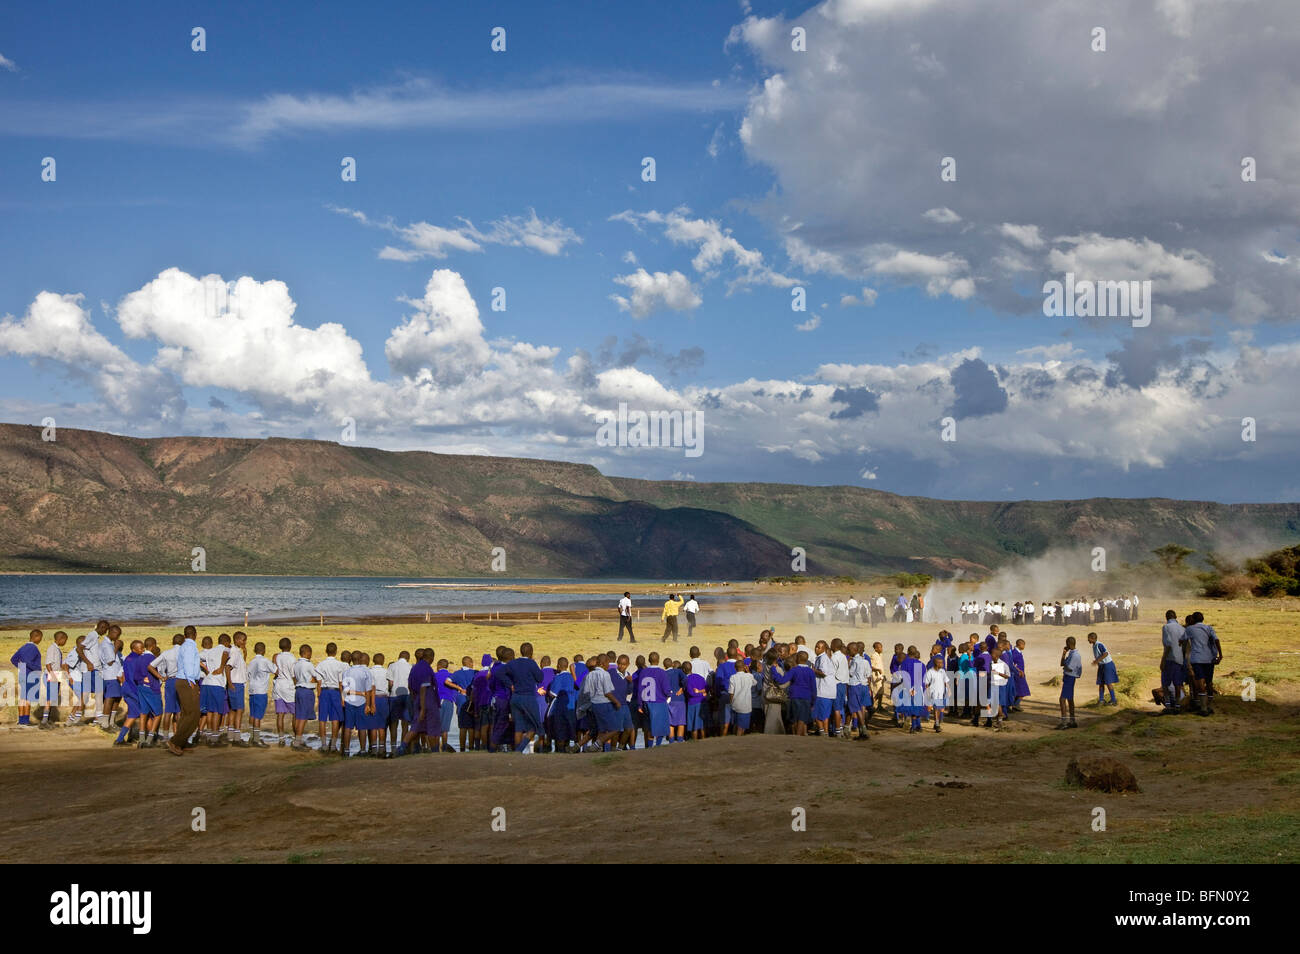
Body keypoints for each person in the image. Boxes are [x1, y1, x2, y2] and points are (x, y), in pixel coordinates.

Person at [502, 642, 544, 753]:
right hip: (528, 697)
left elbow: (499, 673)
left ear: (520, 652)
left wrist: (510, 684)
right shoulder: (531, 663)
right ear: (531, 652)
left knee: (518, 727)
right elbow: (540, 678)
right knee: (536, 726)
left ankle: (518, 752)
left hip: (515, 698)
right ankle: (522, 749)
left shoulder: (513, 663)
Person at [169, 627, 203, 756]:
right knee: (194, 714)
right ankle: (175, 741)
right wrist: (191, 681)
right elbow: (189, 664)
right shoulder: (189, 646)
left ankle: (182, 741)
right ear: (195, 634)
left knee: (186, 713)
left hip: (183, 680)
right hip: (187, 681)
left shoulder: (185, 645)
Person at [340, 651, 375, 758]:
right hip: (362, 701)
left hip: (349, 701)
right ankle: (363, 750)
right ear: (360, 659)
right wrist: (368, 705)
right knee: (362, 727)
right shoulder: (366, 672)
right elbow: (368, 690)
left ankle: (346, 751)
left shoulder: (346, 672)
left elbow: (345, 690)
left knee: (348, 727)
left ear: (352, 659)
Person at [314, 643, 347, 753]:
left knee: (322, 719)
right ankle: (333, 745)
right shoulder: (339, 665)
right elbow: (340, 683)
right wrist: (342, 698)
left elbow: (319, 682)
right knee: (335, 718)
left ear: (325, 651)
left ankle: (323, 745)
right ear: (336, 652)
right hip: (336, 692)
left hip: (324, 691)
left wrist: (319, 696)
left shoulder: (320, 665)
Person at [9, 629, 42, 727]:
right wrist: (37, 669)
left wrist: (21, 667)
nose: (40, 640)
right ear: (36, 637)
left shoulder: (23, 647)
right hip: (31, 675)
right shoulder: (33, 648)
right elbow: (28, 661)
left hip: (23, 674)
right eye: (40, 638)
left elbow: (13, 659)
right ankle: (25, 721)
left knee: (22, 698)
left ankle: (21, 721)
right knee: (28, 699)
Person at [246, 642, 274, 747]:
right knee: (257, 716)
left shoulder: (252, 662)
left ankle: (251, 736)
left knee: (252, 714)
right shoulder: (265, 661)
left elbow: (247, 675)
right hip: (261, 691)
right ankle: (256, 739)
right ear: (264, 650)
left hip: (252, 690)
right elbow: (276, 670)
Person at [291, 644, 318, 749]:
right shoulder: (308, 664)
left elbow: (294, 677)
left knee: (299, 716)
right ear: (307, 653)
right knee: (303, 717)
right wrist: (314, 680)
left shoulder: (296, 664)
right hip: (307, 691)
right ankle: (297, 742)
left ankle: (298, 740)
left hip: (298, 690)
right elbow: (317, 677)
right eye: (310, 653)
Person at [271, 637, 297, 746]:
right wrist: (297, 685)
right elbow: (294, 674)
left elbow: (275, 671)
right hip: (289, 687)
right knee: (295, 713)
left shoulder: (276, 657)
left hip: (278, 686)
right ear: (290, 646)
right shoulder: (291, 658)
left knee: (280, 714)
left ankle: (281, 738)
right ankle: (296, 738)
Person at [1159, 610, 1185, 714]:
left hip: (1170, 658)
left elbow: (1168, 644)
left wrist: (1163, 660)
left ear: (1166, 617)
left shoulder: (1166, 627)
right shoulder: (1182, 628)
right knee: (1178, 683)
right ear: (1176, 617)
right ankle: (1178, 706)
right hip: (1180, 659)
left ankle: (1168, 706)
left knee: (1165, 683)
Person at [40, 630, 67, 728]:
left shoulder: (57, 649)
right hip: (52, 675)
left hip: (56, 674)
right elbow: (48, 664)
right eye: (65, 640)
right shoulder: (52, 648)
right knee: (49, 699)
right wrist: (53, 676)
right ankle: (43, 722)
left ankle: (48, 720)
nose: (65, 642)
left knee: (53, 698)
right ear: (60, 639)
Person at [1056, 636, 1081, 729]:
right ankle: (1072, 721)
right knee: (1070, 699)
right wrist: (1064, 654)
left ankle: (1064, 722)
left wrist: (1065, 666)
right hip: (1069, 677)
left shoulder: (1075, 655)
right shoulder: (1072, 653)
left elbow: (1068, 667)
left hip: (1069, 677)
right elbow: (1062, 663)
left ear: (1068, 644)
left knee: (1062, 699)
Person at [1088, 631, 1118, 705]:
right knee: (1101, 683)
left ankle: (1113, 700)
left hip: (1107, 665)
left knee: (1108, 683)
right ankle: (1101, 700)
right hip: (1101, 666)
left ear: (1092, 638)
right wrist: (1098, 663)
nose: (1088, 640)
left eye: (1089, 639)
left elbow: (1105, 654)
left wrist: (1097, 661)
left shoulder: (1099, 645)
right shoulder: (1094, 645)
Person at [728, 660, 756, 735]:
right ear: (744, 667)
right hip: (745, 706)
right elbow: (755, 683)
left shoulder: (733, 677)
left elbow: (731, 692)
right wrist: (748, 671)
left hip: (735, 704)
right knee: (741, 727)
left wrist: (731, 702)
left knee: (736, 724)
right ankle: (738, 741)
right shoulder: (749, 676)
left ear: (735, 668)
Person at [924, 654, 947, 733]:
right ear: (935, 663)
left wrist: (948, 691)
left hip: (941, 693)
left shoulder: (943, 671)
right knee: (936, 709)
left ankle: (936, 723)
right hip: (933, 693)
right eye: (940, 663)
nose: (942, 664)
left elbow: (945, 682)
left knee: (940, 709)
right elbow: (926, 684)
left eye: (942, 663)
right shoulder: (930, 672)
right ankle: (937, 725)